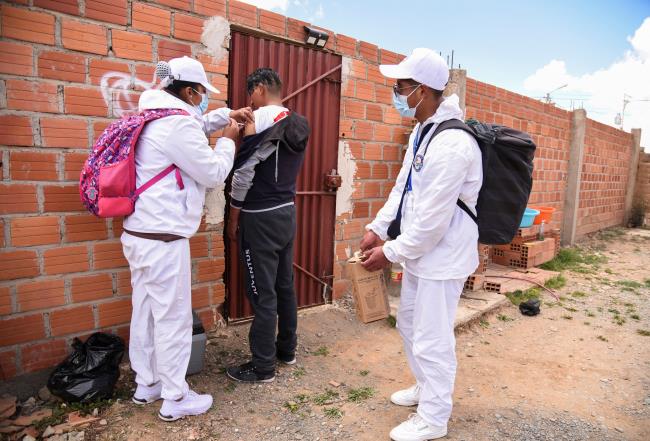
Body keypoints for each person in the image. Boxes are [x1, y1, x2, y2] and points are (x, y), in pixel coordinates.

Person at [121, 56, 253, 421]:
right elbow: (211, 173)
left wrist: (225, 115)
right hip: (163, 238)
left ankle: (146, 383)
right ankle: (176, 398)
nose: (202, 100)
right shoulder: (176, 126)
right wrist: (228, 140)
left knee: (146, 312)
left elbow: (193, 123)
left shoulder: (154, 112)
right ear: (190, 91)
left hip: (139, 232)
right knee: (173, 318)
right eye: (200, 94)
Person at [359, 48, 483, 441]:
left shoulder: (453, 145)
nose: (395, 92)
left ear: (424, 90)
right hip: (421, 253)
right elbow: (404, 188)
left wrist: (390, 252)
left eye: (401, 86)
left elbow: (432, 220)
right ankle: (425, 388)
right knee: (411, 324)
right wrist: (378, 228)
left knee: (433, 337)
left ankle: (434, 417)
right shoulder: (423, 130)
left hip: (442, 257)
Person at [225, 68, 310, 383]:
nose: (251, 102)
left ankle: (262, 367)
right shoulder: (297, 122)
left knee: (263, 294)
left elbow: (244, 173)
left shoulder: (258, 121)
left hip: (259, 216)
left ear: (259, 89)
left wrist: (234, 216)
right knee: (284, 286)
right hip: (287, 212)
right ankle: (286, 351)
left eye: (251, 95)